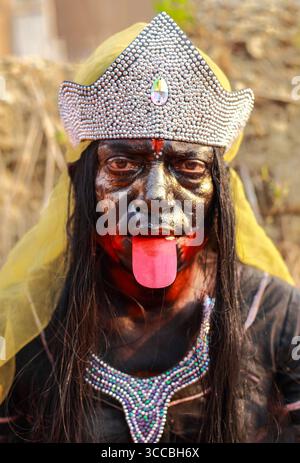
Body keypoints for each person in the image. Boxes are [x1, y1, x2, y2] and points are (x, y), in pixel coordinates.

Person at [0, 11, 299, 443]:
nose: (156, 196)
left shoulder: (279, 318)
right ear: (82, 185)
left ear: (221, 194)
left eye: (190, 166)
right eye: (122, 164)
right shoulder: (28, 325)